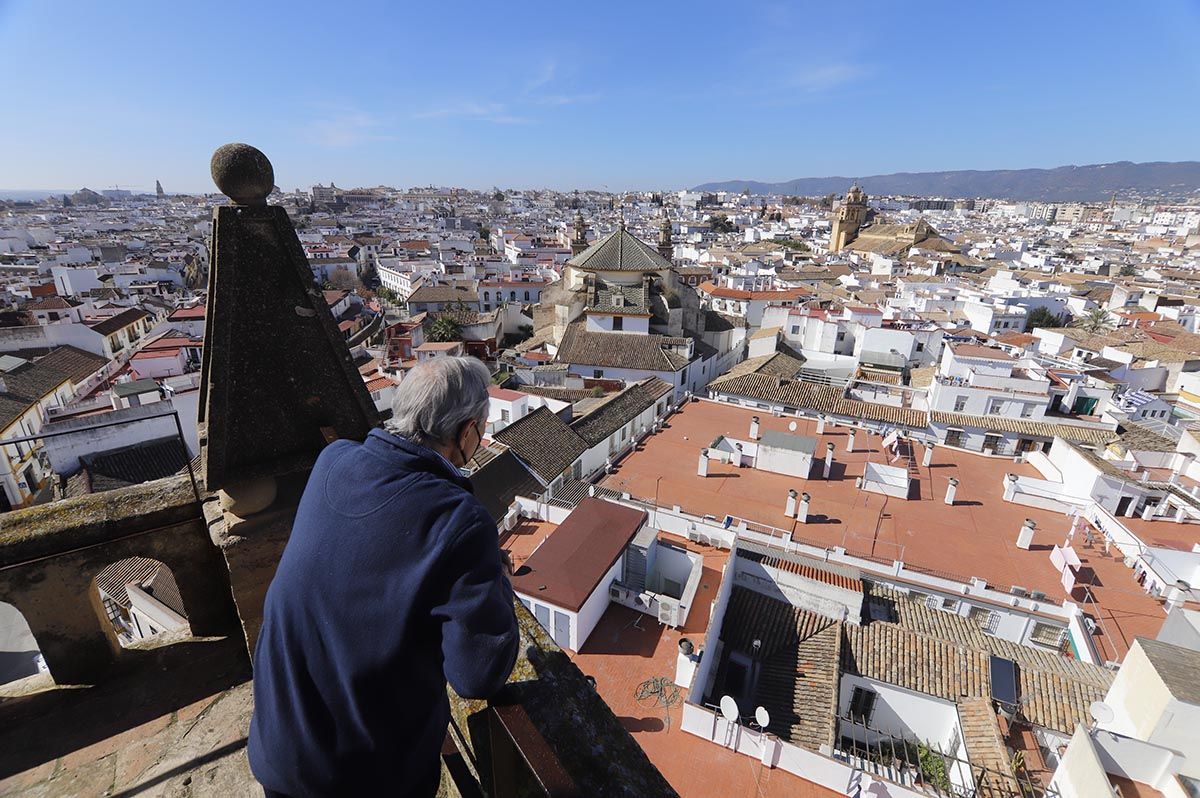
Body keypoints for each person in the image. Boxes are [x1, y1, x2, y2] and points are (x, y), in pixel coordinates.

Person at [249, 356, 520, 797]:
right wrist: (501, 584)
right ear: (467, 433)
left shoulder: (333, 460)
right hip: (363, 775)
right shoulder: (459, 521)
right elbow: (478, 676)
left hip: (280, 746)